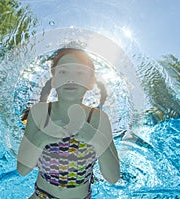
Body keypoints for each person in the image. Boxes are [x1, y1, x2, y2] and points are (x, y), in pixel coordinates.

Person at [17, 48, 120, 199]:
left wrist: (97, 139)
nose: (71, 78)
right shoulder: (40, 113)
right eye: (63, 72)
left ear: (91, 82)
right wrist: (42, 138)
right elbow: (22, 170)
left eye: (79, 73)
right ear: (54, 80)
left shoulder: (98, 118)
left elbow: (113, 178)